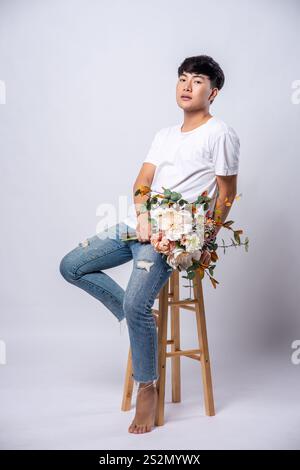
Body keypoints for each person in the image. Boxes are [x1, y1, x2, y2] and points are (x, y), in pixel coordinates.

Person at [59, 54, 240, 434]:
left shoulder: (219, 133)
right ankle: (135, 316)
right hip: (139, 226)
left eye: (198, 81)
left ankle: (147, 387)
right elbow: (142, 182)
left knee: (136, 299)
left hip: (173, 238)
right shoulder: (164, 135)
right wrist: (142, 215)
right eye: (183, 79)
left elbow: (227, 193)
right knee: (72, 266)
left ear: (214, 91)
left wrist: (204, 240)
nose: (187, 86)